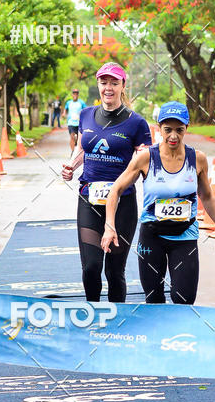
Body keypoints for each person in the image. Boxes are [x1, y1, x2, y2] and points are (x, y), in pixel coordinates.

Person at [101, 101, 215, 304]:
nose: (173, 136)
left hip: (185, 237)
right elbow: (116, 190)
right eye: (168, 130)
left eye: (179, 130)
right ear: (159, 128)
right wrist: (110, 225)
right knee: (154, 300)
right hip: (151, 237)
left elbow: (206, 196)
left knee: (184, 299)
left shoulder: (197, 159)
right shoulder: (146, 158)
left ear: (186, 128)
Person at [62, 64, 150, 302]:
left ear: (123, 86)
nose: (108, 88)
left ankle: (116, 323)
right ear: (98, 85)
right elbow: (83, 149)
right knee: (90, 267)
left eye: (114, 83)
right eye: (104, 82)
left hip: (123, 203)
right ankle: (92, 315)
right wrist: (72, 165)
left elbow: (145, 163)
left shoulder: (136, 123)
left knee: (114, 271)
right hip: (89, 200)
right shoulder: (86, 115)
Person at [64, 89, 86, 154]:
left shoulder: (81, 102)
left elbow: (85, 110)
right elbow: (65, 109)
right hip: (71, 122)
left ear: (78, 95)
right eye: (74, 93)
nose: (75, 95)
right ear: (72, 94)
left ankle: (76, 145)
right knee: (72, 136)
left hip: (79, 123)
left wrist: (81, 113)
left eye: (76, 93)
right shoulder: (69, 102)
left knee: (78, 139)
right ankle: (73, 152)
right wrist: (64, 113)